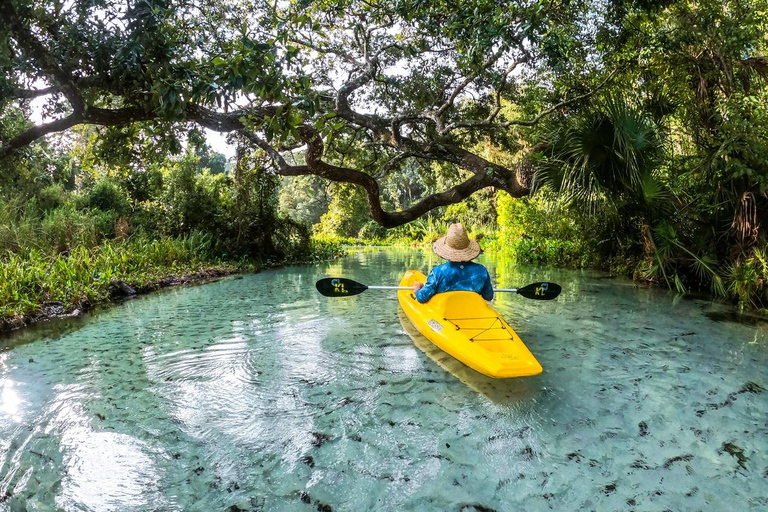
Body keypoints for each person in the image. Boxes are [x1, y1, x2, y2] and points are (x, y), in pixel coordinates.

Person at [413, 223, 494, 303]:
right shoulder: (481, 271)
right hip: (473, 312)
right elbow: (488, 296)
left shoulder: (437, 272)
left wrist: (417, 289)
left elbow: (421, 298)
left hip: (446, 313)